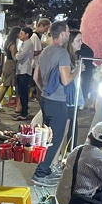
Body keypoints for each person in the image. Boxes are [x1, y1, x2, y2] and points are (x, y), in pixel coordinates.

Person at [32, 21, 78, 186]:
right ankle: (41, 173)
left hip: (45, 99)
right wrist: (77, 71)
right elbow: (65, 81)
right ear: (64, 33)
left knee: (47, 137)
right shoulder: (62, 54)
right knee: (56, 138)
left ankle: (45, 169)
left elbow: (35, 76)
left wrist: (44, 90)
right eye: (67, 30)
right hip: (58, 101)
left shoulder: (45, 51)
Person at [0, 26, 20, 111]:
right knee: (9, 86)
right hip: (11, 65)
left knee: (6, 86)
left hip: (7, 64)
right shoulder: (13, 45)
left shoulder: (7, 43)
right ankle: (18, 106)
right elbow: (15, 57)